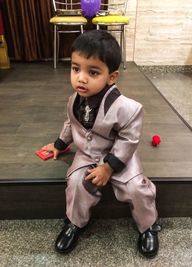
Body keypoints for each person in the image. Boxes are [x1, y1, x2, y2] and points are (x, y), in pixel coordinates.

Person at [42, 30, 161, 258]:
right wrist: (59, 144)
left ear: (112, 76)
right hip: (87, 153)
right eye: (76, 68)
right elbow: (72, 124)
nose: (81, 78)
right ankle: (74, 223)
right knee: (76, 182)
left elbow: (129, 139)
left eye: (92, 72)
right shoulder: (73, 100)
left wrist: (108, 167)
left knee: (137, 188)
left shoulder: (128, 108)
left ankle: (148, 226)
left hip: (119, 156)